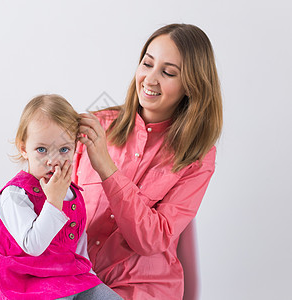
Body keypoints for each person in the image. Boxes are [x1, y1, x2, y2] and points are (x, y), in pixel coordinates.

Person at [73, 23, 223, 299]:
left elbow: (152, 239)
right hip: (75, 278)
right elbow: (55, 204)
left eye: (167, 72)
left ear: (191, 86)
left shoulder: (198, 157)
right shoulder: (99, 125)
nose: (150, 79)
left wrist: (106, 167)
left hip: (138, 289)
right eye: (147, 64)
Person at [0, 94, 122, 299]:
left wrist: (90, 279)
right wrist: (53, 201)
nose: (53, 160)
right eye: (41, 150)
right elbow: (33, 245)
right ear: (24, 148)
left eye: (63, 149)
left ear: (75, 148)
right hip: (30, 284)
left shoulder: (72, 193)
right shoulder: (14, 195)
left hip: (72, 277)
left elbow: (78, 246)